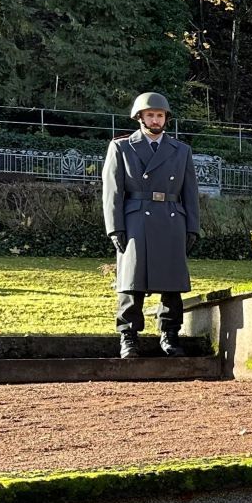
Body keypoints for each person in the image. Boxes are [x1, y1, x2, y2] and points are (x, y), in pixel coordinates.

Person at [101, 91, 201, 359]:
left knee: (172, 283)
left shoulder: (181, 150)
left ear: (166, 118)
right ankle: (128, 337)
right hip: (135, 218)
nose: (155, 120)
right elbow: (112, 192)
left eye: (159, 115)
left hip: (172, 216)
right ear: (139, 117)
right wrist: (115, 228)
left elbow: (190, 192)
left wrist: (192, 227)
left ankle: (170, 335)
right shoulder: (121, 147)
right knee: (131, 282)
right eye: (150, 115)